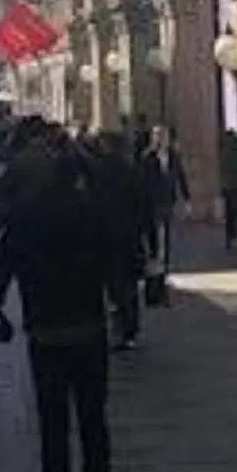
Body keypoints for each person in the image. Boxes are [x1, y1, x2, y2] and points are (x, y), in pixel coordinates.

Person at [0, 141, 121, 472]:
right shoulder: (92, 212)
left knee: (53, 431)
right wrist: (117, 299)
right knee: (93, 418)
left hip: (45, 334)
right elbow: (116, 265)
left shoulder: (26, 217)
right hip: (89, 329)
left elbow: (0, 271)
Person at [89, 132, 146, 351]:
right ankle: (131, 328)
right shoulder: (131, 171)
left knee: (113, 286)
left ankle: (119, 327)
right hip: (129, 236)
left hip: (106, 237)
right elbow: (142, 206)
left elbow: (94, 205)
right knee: (129, 285)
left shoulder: (99, 171)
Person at [138, 125, 190, 300]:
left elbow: (180, 176)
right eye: (158, 136)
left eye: (164, 136)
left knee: (165, 245)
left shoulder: (173, 157)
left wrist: (186, 199)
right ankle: (154, 286)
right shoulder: (147, 158)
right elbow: (142, 183)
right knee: (154, 246)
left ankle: (163, 281)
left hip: (167, 204)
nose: (161, 140)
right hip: (152, 206)